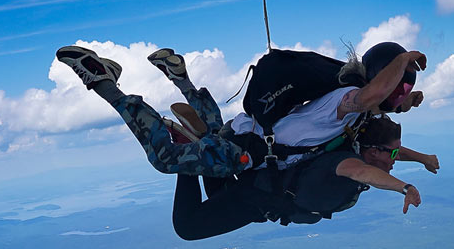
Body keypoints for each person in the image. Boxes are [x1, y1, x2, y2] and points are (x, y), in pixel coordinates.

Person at [55, 42, 426, 178]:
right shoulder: (347, 100)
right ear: (382, 79)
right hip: (250, 153)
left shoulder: (358, 106)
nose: (401, 95)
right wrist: (405, 58)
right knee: (166, 157)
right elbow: (374, 95)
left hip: (249, 133)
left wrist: (409, 104)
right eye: (400, 85)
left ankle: (181, 79)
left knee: (214, 134)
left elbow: (382, 106)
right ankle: (104, 81)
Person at [171, 114, 435, 240]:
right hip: (257, 199)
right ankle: (186, 154)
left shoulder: (349, 144)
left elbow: (388, 154)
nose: (394, 160)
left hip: (257, 187)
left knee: (218, 195)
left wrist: (422, 158)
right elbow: (366, 173)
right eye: (393, 154)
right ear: (374, 151)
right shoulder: (346, 162)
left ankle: (205, 141)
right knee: (188, 227)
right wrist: (405, 187)